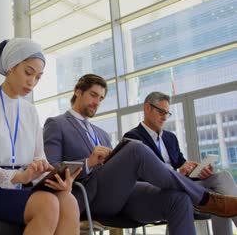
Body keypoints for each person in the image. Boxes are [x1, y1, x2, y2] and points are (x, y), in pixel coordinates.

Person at [43, 73, 237, 235]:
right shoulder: (57, 124)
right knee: (135, 148)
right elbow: (53, 168)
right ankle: (207, 199)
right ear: (78, 91)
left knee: (178, 198)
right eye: (93, 95)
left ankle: (201, 198)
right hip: (88, 196)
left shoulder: (101, 133)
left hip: (123, 195)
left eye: (101, 98)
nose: (97, 102)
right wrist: (88, 162)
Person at [0, 38, 81, 235]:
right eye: (28, 72)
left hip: (20, 189)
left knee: (68, 201)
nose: (32, 82)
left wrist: (53, 177)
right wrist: (16, 176)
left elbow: (39, 158)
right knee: (46, 204)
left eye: (38, 77)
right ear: (10, 67)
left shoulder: (30, 112)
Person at [124, 91, 237, 235]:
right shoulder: (133, 138)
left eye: (167, 113)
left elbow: (182, 163)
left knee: (222, 178)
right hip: (158, 190)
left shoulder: (170, 138)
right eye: (161, 112)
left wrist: (197, 170)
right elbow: (139, 178)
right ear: (147, 108)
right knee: (215, 197)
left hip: (182, 184)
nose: (164, 117)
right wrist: (178, 174)